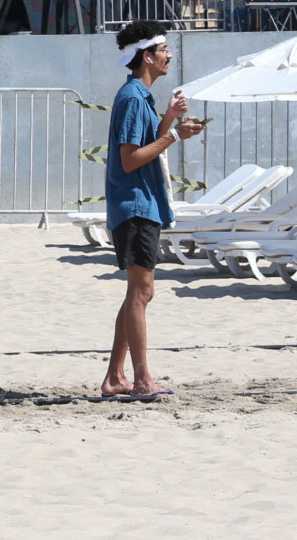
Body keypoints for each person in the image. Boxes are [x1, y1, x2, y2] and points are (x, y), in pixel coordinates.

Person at [99, 22, 204, 400]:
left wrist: (171, 120)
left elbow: (147, 143)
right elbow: (130, 160)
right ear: (147, 56)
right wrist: (172, 135)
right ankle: (142, 380)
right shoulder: (131, 97)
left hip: (141, 204)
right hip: (135, 205)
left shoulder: (140, 97)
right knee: (141, 294)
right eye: (164, 49)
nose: (169, 55)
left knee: (137, 294)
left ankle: (115, 377)